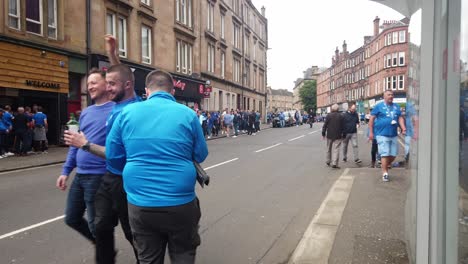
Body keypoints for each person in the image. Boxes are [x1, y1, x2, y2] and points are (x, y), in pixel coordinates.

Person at [107, 70, 208, 264]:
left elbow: (113, 157)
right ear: (173, 91)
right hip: (181, 202)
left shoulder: (127, 113)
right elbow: (201, 154)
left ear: (146, 91)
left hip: (141, 203)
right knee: (183, 254)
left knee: (148, 258)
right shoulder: (188, 114)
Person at [64, 35, 140, 264]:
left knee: (130, 231)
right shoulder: (110, 106)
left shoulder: (132, 107)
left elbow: (115, 154)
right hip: (108, 177)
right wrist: (112, 53)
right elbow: (119, 76)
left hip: (124, 180)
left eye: (110, 85)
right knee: (101, 226)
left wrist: (84, 144)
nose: (106, 87)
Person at [56, 68, 114, 244]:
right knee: (72, 218)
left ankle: (105, 253)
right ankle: (104, 248)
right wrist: (65, 171)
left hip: (100, 176)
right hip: (80, 175)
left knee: (97, 224)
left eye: (94, 82)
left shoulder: (116, 110)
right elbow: (75, 144)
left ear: (107, 84)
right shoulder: (86, 112)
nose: (90, 86)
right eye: (88, 83)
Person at [369, 90, 406, 182]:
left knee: (393, 154)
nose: (391, 96)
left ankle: (384, 164)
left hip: (393, 134)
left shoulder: (396, 106)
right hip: (381, 134)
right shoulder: (378, 106)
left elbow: (400, 118)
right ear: (384, 96)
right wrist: (371, 132)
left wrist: (403, 128)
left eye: (392, 95)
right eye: (389, 95)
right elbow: (372, 119)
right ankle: (385, 173)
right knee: (385, 153)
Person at [322, 104, 344, 169]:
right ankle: (334, 163)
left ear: (332, 109)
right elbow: (343, 126)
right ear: (338, 109)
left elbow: (325, 125)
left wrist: (323, 133)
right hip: (338, 135)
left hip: (329, 135)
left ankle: (328, 161)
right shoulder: (341, 116)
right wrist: (344, 134)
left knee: (328, 148)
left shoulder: (328, 116)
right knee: (336, 149)